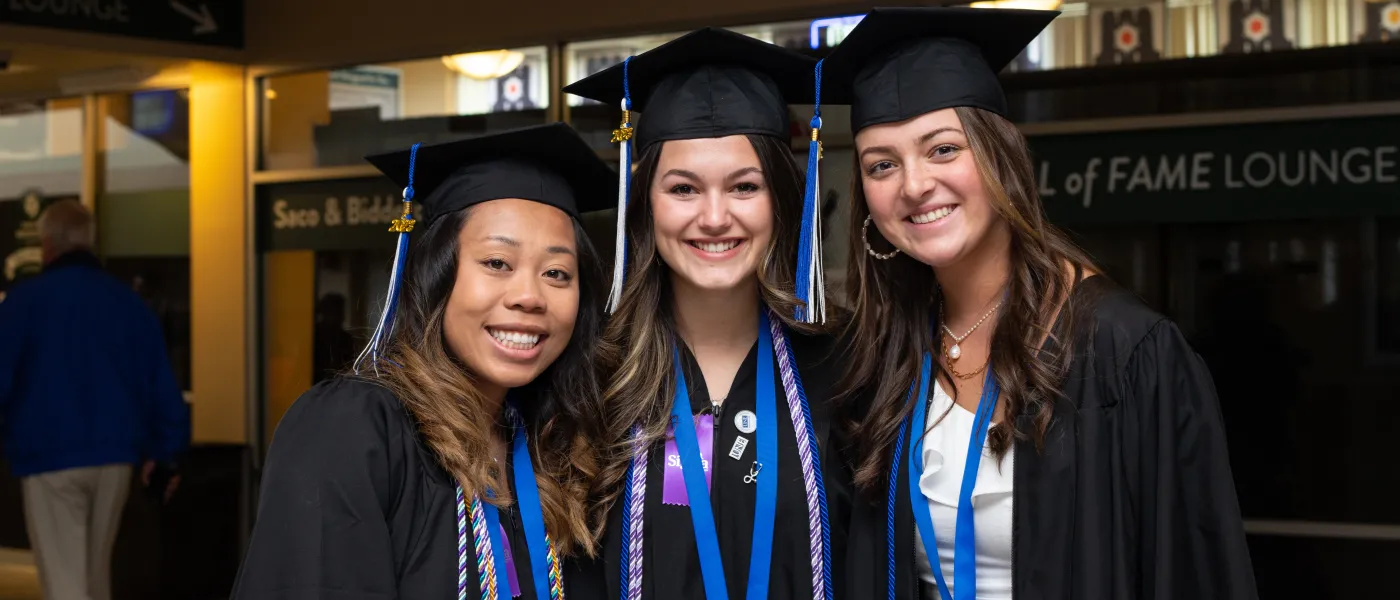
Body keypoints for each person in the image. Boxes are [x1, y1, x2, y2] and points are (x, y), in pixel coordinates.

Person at [821, 7, 1258, 599]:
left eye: (943, 149)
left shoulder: (1123, 352)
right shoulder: (882, 358)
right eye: (881, 164)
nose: (914, 184)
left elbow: (1193, 573)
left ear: (1002, 156)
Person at [230, 123, 613, 599]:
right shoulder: (354, 428)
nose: (529, 296)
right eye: (497, 263)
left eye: (557, 273)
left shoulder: (552, 449)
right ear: (437, 273)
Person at [564, 28, 851, 600]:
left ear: (782, 201)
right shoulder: (591, 377)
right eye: (684, 189)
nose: (715, 217)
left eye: (745, 186)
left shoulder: (847, 369)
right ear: (645, 203)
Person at [0, 199, 190, 600]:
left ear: (46, 244)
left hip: (48, 455)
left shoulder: (24, 302)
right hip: (115, 457)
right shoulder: (128, 304)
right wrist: (166, 451)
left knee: (66, 580)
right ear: (90, 242)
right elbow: (159, 383)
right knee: (94, 573)